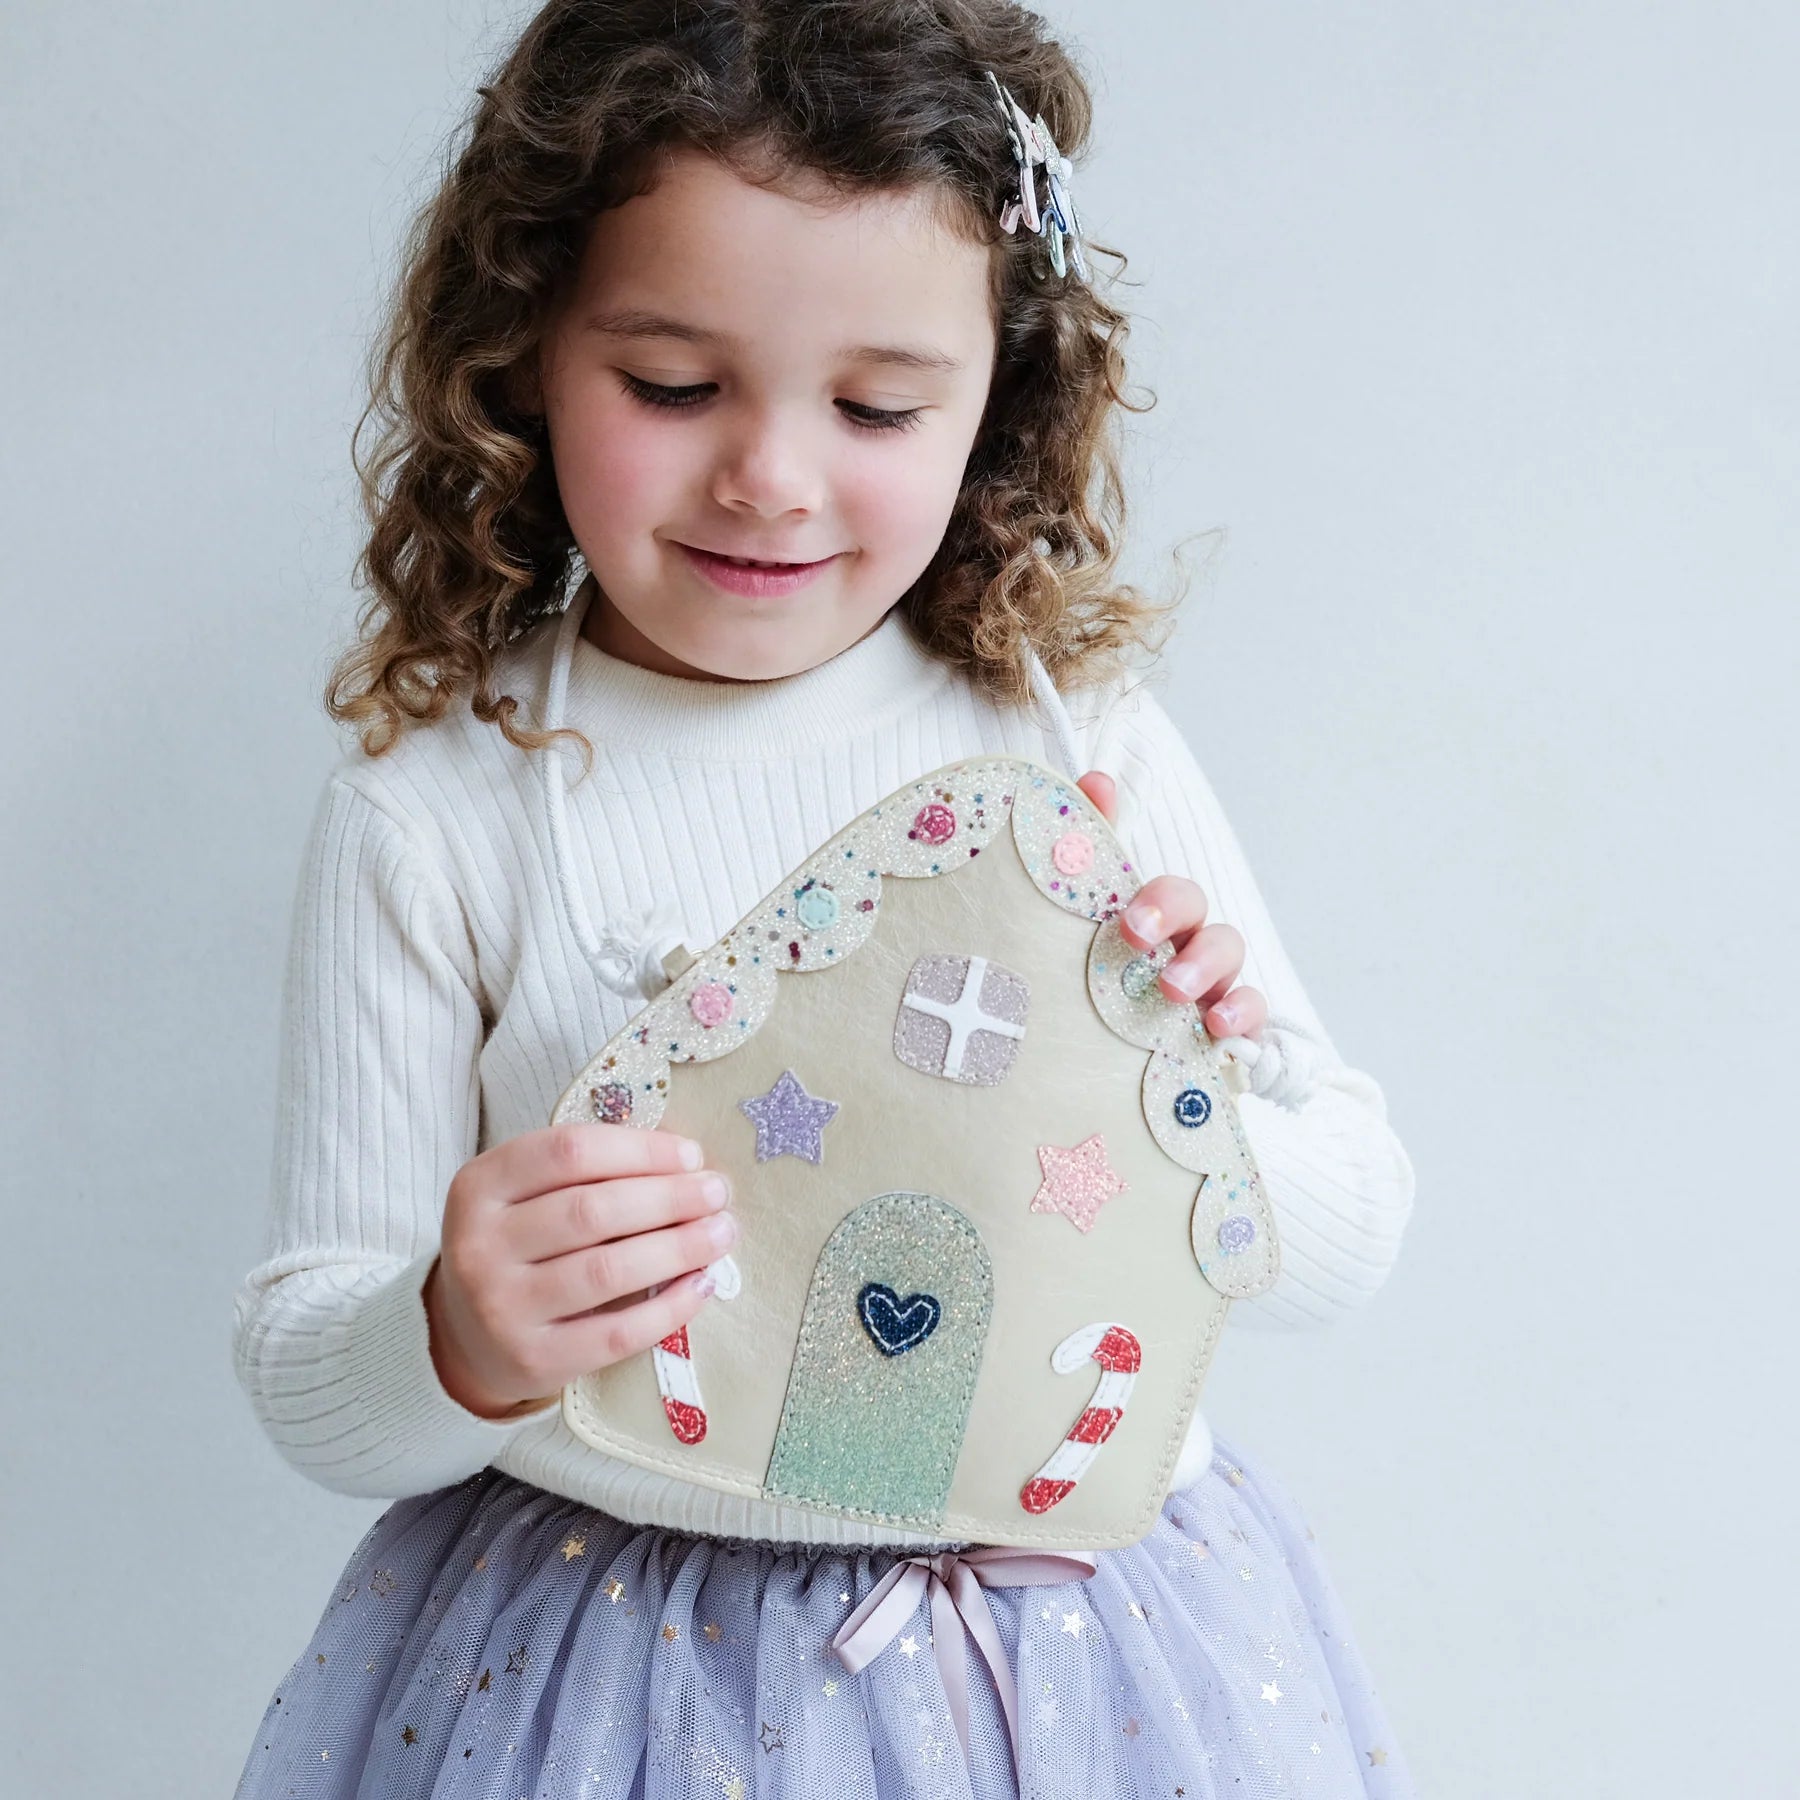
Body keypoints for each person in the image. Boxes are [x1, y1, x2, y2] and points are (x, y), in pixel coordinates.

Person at [230, 3, 1417, 1793]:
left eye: (874, 406)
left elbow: (1349, 1236)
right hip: (624, 1680)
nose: (770, 479)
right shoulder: (441, 815)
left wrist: (1197, 1098)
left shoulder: (1069, 743)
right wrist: (454, 1333)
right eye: (671, 385)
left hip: (1077, 1671)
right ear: (524, 346)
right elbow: (310, 1372)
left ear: (997, 397)